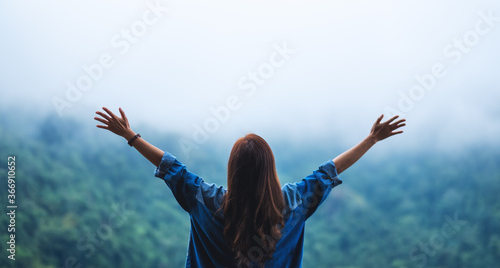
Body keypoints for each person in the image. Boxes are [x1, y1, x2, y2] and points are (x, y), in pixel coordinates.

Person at [94, 107, 406, 267]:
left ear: (233, 170)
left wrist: (131, 136)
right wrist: (371, 139)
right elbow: (329, 171)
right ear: (270, 171)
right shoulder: (292, 204)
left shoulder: (206, 202)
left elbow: (173, 167)